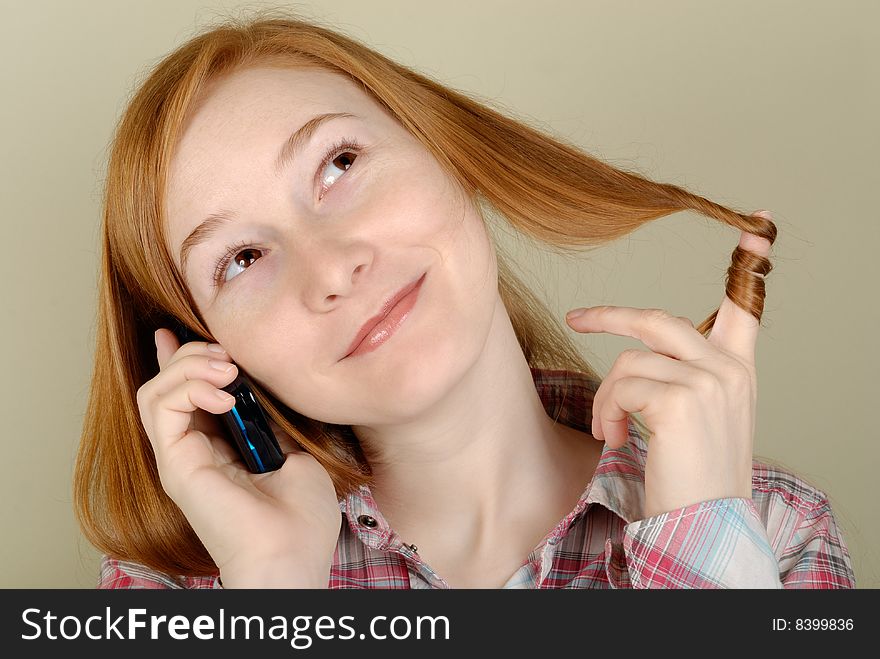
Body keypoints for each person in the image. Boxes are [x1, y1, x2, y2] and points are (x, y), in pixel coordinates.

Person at [75, 10, 855, 589]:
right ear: (209, 347)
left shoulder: (778, 533)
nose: (332, 269)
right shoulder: (178, 584)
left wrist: (704, 538)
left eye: (340, 162)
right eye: (241, 257)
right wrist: (274, 587)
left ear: (453, 152)